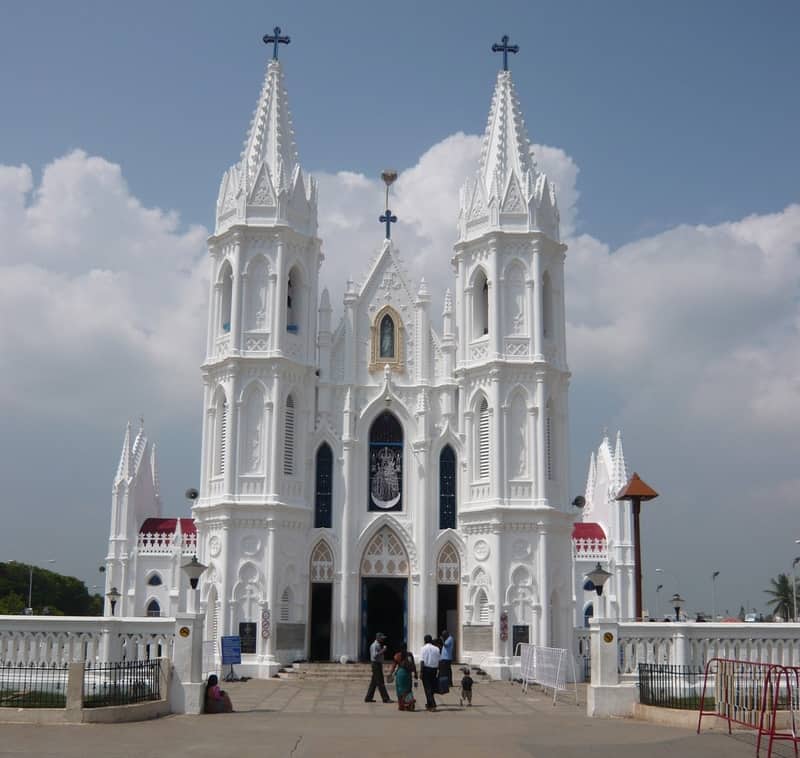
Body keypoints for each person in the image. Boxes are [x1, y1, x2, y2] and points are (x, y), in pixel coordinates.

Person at [364, 632, 392, 703]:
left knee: (373, 683)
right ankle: (385, 698)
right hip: (376, 665)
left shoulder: (378, 645)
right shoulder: (374, 645)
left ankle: (368, 697)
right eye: (382, 638)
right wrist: (383, 650)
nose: (383, 640)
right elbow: (374, 655)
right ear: (378, 638)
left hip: (378, 664)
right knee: (380, 682)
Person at [420, 634, 441, 711]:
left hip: (426, 669)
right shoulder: (437, 649)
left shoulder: (423, 648)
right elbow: (439, 660)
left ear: (425, 640)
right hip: (434, 670)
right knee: (431, 687)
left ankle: (432, 704)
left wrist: (421, 672)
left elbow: (422, 661)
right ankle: (429, 704)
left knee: (427, 688)